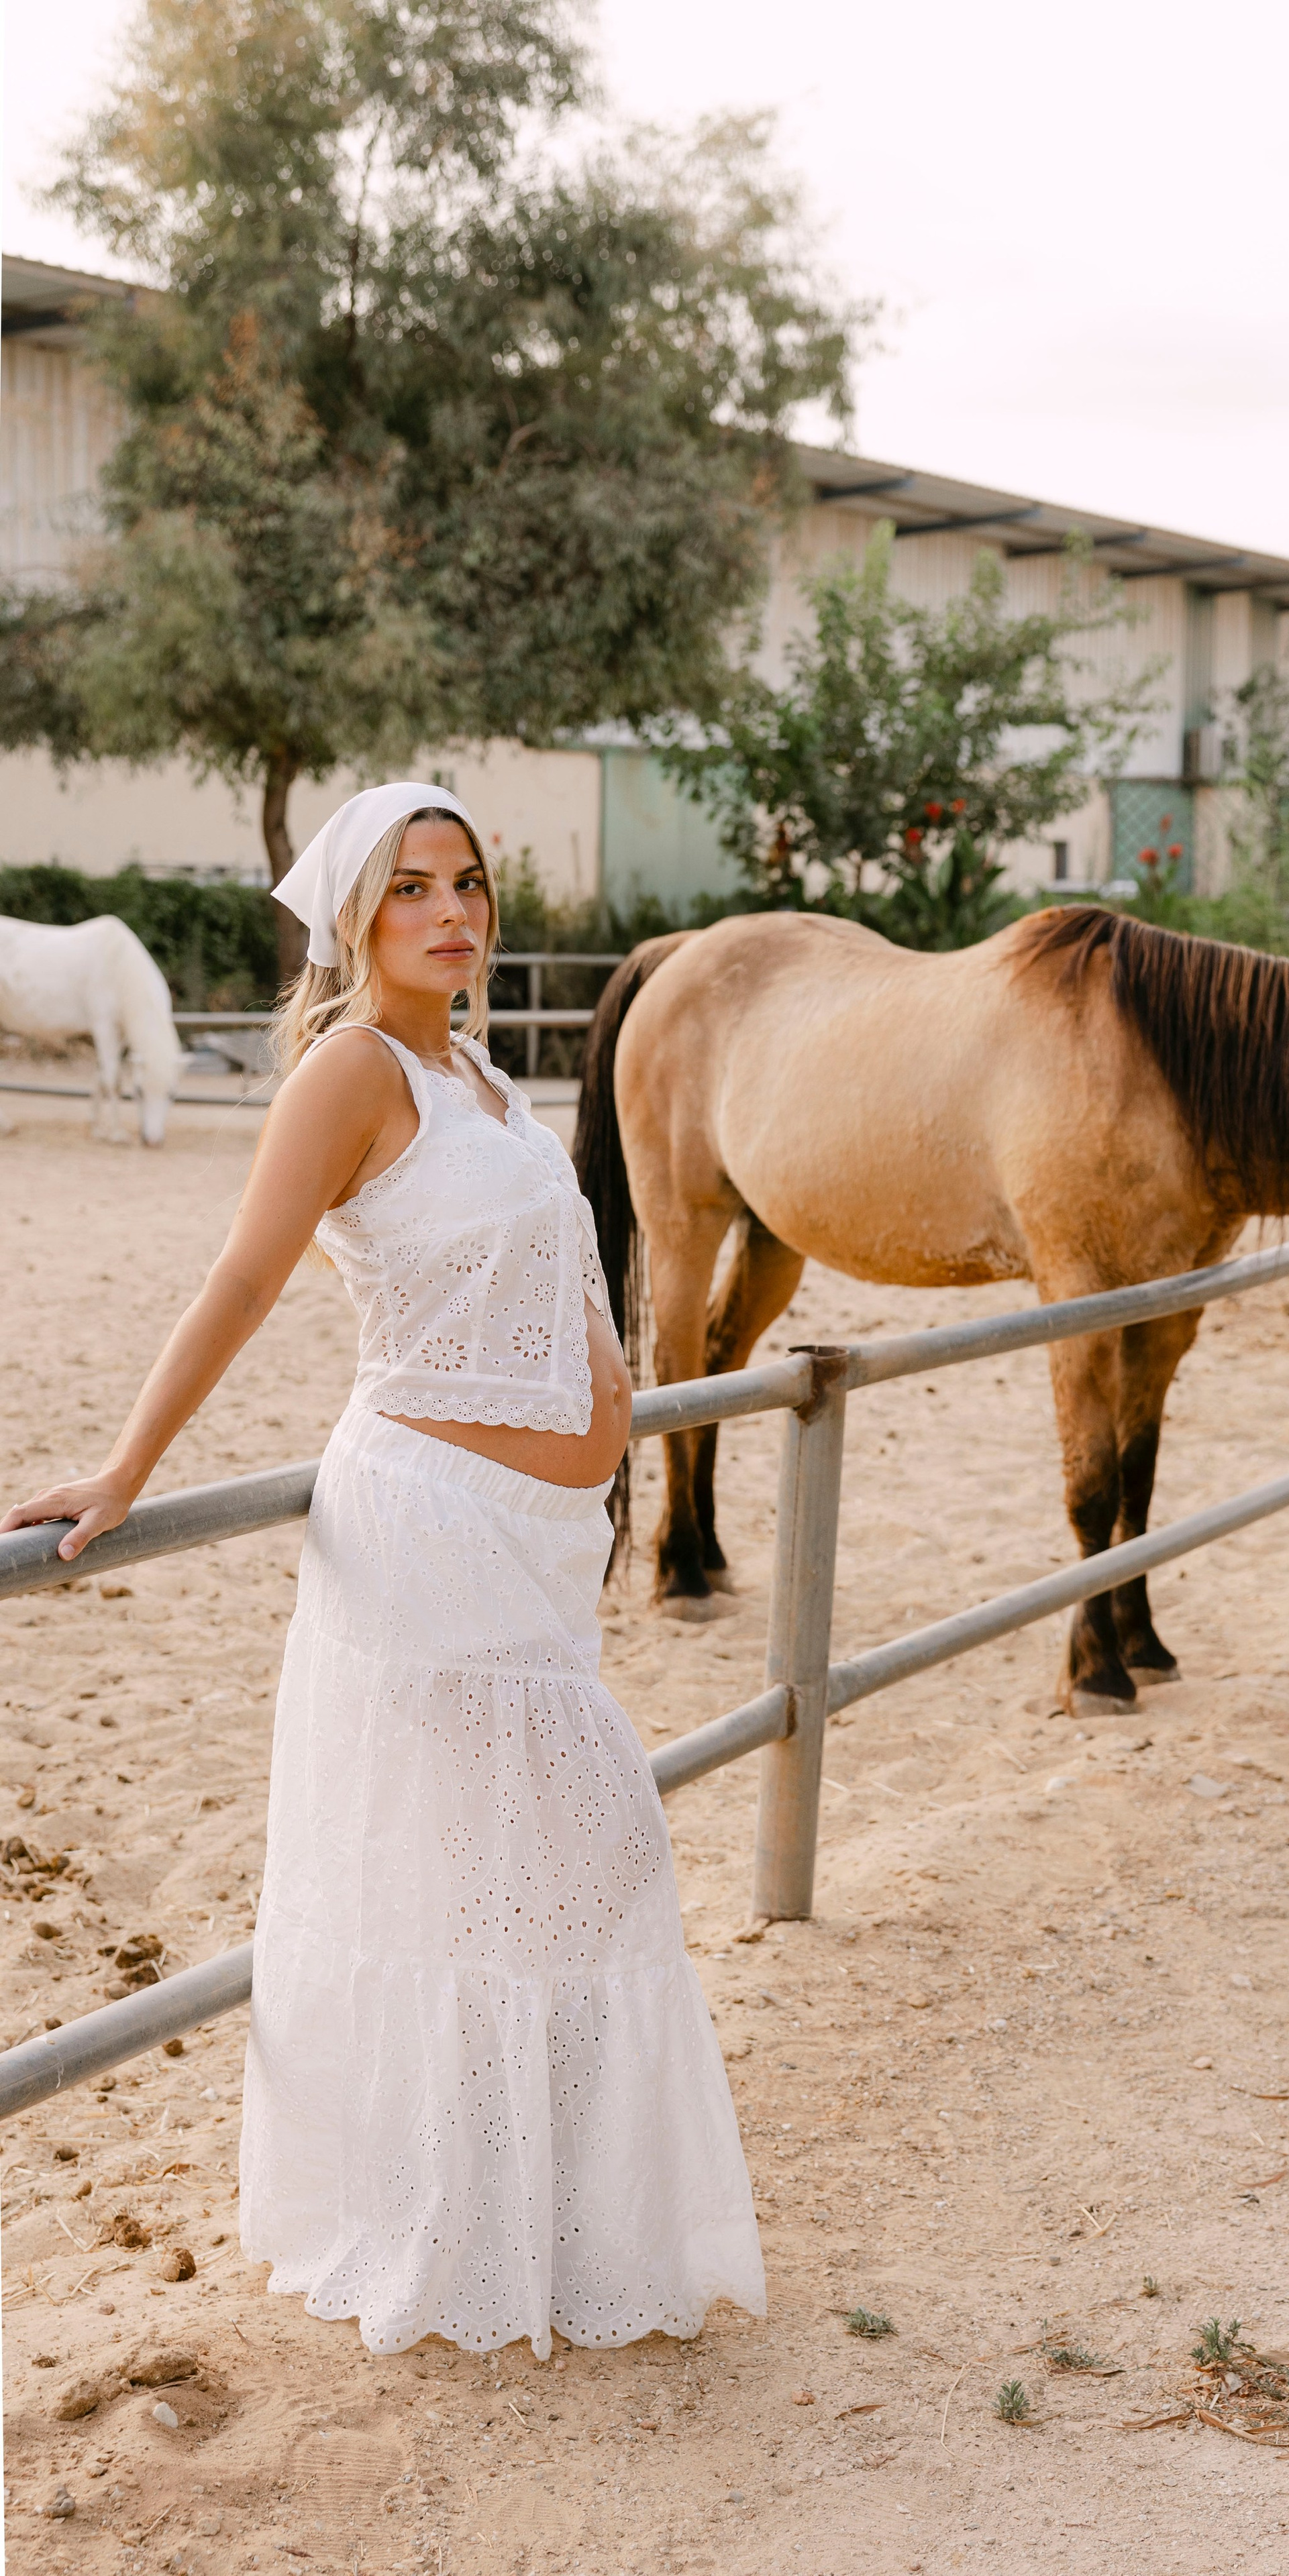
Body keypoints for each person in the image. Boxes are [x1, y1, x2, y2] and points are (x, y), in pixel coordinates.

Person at [0, 783, 764, 2357]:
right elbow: (243, 1273)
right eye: (412, 887)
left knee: (541, 1878)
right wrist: (127, 1469)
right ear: (355, 918)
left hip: (542, 1549)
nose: (452, 911)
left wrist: (611, 1390)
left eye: (470, 882)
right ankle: (446, 2232)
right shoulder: (349, 1072)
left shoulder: (480, 1072)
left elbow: (560, 1271)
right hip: (426, 1534)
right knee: (529, 1861)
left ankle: (530, 2226)